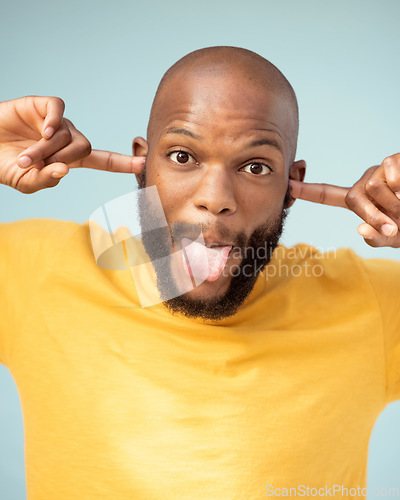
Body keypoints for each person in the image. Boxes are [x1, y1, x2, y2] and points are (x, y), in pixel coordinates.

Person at [0, 46, 399, 499]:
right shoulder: (37, 269)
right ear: (141, 164)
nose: (215, 198)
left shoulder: (367, 303)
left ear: (292, 184)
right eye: (183, 157)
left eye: (255, 166)